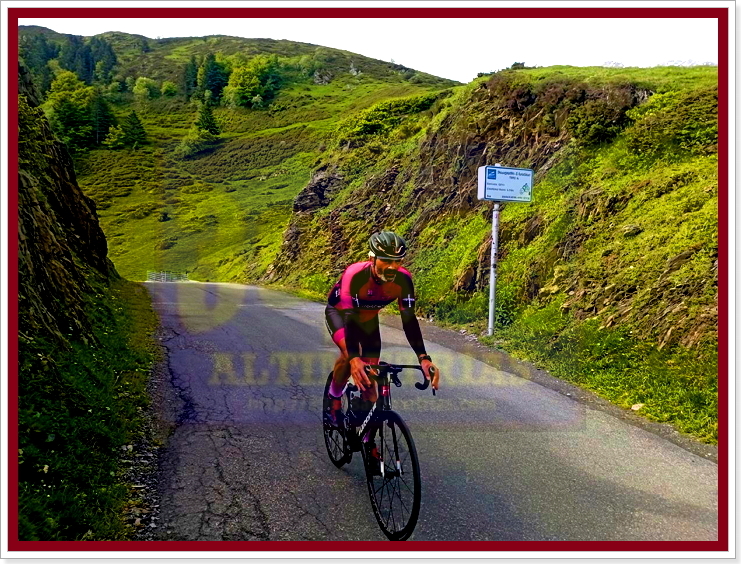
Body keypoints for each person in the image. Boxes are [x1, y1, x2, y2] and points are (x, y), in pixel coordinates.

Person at [324, 231, 440, 471]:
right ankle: (334, 397)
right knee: (349, 356)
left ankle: (368, 441)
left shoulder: (403, 280)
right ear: (372, 258)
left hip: (369, 322)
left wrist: (424, 358)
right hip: (342, 315)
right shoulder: (355, 275)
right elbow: (350, 319)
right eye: (386, 260)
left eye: (397, 261)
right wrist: (355, 359)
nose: (392, 266)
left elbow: (409, 320)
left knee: (371, 384)